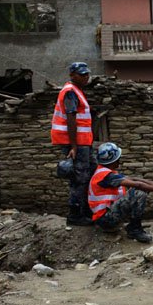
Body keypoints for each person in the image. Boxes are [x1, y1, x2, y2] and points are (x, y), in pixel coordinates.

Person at [87, 142, 153, 243]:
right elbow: (136, 185)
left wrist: (151, 183)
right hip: (105, 220)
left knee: (138, 190)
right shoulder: (106, 176)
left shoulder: (106, 172)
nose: (119, 160)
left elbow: (132, 178)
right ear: (113, 160)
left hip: (106, 216)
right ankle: (134, 229)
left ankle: (133, 227)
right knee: (138, 193)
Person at [51, 62, 97, 227]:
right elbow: (71, 119)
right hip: (77, 143)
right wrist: (74, 146)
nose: (86, 77)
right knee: (80, 177)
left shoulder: (76, 91)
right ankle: (76, 214)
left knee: (89, 174)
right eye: (82, 74)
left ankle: (85, 210)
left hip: (83, 142)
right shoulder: (70, 92)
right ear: (72, 75)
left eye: (87, 74)